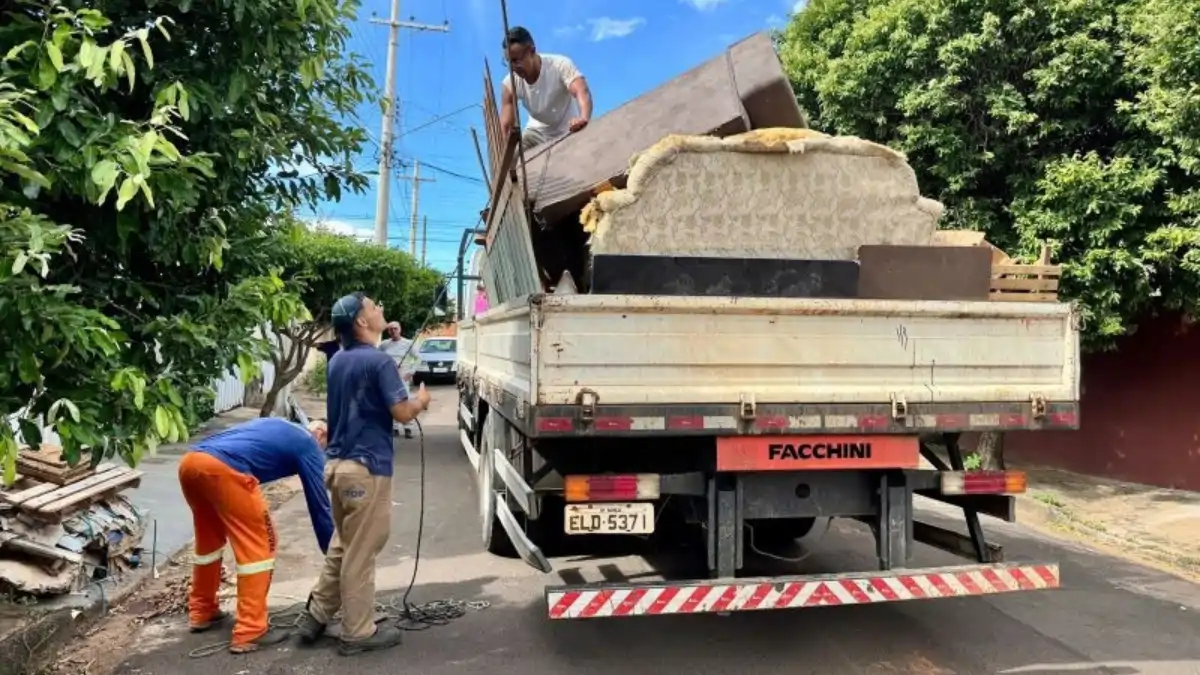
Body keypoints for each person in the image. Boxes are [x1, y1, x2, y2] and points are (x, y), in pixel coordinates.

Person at [296, 292, 432, 656]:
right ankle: (357, 631)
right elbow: (402, 413)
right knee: (362, 550)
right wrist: (421, 401)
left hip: (338, 468)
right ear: (360, 321)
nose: (381, 309)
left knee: (345, 544)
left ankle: (317, 614)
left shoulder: (339, 359)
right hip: (366, 469)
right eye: (374, 307)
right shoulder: (378, 362)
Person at [179, 417, 333, 653]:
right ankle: (250, 630)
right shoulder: (309, 443)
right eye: (326, 447)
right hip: (224, 469)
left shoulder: (280, 425)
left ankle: (202, 610)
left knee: (209, 543)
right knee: (260, 545)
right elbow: (319, 504)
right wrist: (332, 553)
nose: (322, 453)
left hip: (191, 463)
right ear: (320, 434)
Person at [499, 26, 593, 151]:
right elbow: (506, 126)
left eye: (516, 61)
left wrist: (583, 117)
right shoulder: (510, 83)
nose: (513, 68)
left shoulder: (559, 64)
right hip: (536, 134)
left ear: (531, 51)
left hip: (569, 129)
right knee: (516, 156)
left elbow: (582, 91)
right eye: (508, 62)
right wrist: (505, 155)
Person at [378, 321, 416, 440]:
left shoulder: (408, 343)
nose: (393, 331)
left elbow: (418, 358)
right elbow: (377, 358)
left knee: (405, 401)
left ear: (400, 329)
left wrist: (411, 372)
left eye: (395, 329)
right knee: (391, 401)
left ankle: (408, 427)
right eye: (390, 329)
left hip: (402, 376)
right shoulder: (384, 344)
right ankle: (394, 427)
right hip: (389, 376)